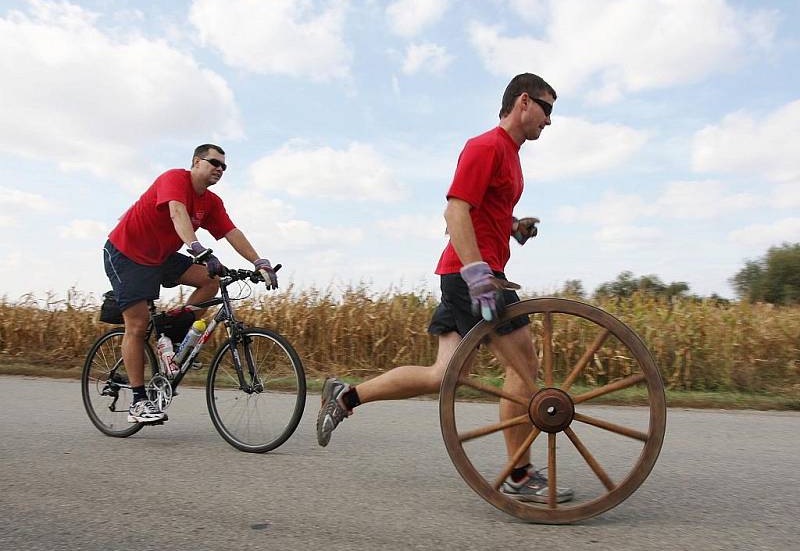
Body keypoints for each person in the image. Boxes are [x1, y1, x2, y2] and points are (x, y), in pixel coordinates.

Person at [316, 73, 573, 503]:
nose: (550, 120)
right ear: (523, 102)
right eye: (548, 109)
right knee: (525, 370)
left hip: (467, 274)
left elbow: (481, 210)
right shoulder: (486, 146)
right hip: (476, 277)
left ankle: (346, 397)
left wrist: (512, 227)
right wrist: (477, 276)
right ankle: (520, 474)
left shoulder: (511, 157)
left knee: (441, 375)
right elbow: (455, 213)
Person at [103, 144, 278, 424]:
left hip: (160, 256)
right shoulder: (175, 179)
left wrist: (260, 262)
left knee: (212, 280)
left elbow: (231, 232)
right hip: (127, 253)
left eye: (224, 166)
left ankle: (172, 339)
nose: (220, 169)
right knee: (136, 325)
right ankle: (138, 402)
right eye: (214, 163)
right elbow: (176, 212)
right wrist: (197, 248)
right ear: (196, 162)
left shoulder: (212, 202)